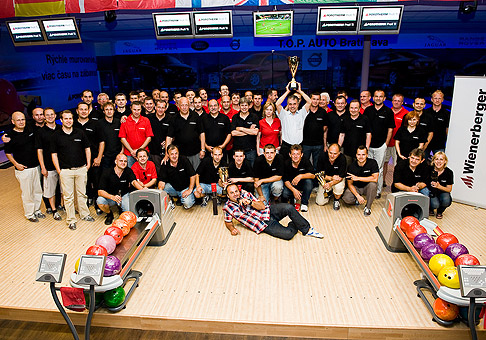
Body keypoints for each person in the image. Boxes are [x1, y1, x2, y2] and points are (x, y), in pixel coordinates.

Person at [222, 183, 323, 240]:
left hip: (267, 212)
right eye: (232, 193)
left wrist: (250, 202)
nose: (235, 194)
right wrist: (232, 229)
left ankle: (307, 230)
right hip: (262, 224)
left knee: (289, 207)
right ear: (228, 195)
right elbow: (228, 222)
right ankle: (295, 223)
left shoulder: (246, 195)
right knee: (288, 235)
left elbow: (262, 206)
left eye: (236, 191)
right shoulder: (228, 207)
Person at [51, 110, 94, 230]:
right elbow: (54, 154)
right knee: (68, 197)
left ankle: (84, 214)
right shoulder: (56, 136)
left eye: (70, 118)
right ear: (61, 120)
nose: (69, 121)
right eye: (66, 118)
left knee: (82, 194)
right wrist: (59, 170)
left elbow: (87, 149)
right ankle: (71, 220)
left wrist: (88, 164)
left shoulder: (80, 133)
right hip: (66, 170)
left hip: (81, 169)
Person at [5, 111, 44, 222]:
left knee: (37, 190)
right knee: (27, 193)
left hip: (35, 166)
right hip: (23, 169)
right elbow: (8, 153)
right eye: (18, 120)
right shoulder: (10, 136)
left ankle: (37, 210)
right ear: (13, 122)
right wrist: (16, 164)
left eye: (23, 119)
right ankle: (29, 214)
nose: (21, 122)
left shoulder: (30, 129)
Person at [363, 89, 395, 199]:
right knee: (368, 168)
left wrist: (386, 144)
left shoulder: (388, 112)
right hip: (368, 145)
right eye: (376, 96)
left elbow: (390, 130)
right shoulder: (368, 110)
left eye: (381, 96)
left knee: (379, 169)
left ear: (384, 98)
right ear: (373, 97)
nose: (378, 98)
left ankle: (377, 191)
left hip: (381, 145)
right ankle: (368, 189)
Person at [98, 153, 143, 224]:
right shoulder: (107, 172)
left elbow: (134, 182)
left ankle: (121, 209)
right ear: (116, 162)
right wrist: (112, 197)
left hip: (124, 195)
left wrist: (142, 190)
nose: (123, 163)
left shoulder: (128, 171)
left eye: (125, 161)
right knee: (100, 201)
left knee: (129, 213)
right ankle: (109, 214)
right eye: (121, 161)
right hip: (111, 197)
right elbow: (100, 191)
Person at [165, 97, 205, 171]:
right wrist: (167, 153)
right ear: (178, 106)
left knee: (196, 173)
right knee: (183, 175)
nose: (184, 107)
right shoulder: (174, 118)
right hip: (180, 154)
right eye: (182, 105)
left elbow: (202, 133)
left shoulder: (195, 116)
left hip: (195, 153)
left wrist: (203, 149)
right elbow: (169, 137)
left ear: (189, 105)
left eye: (186, 105)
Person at [36, 107, 62, 220]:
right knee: (50, 189)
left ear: (55, 116)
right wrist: (42, 167)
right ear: (44, 117)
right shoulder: (40, 132)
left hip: (63, 165)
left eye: (52, 114)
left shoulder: (61, 128)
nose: (50, 116)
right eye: (47, 115)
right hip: (48, 166)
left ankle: (62, 205)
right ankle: (54, 209)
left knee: (63, 189)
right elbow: (39, 151)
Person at [275, 82, 312, 158]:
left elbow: (309, 101)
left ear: (298, 104)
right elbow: (277, 104)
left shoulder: (302, 113)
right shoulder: (283, 114)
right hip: (286, 146)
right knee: (285, 167)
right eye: (290, 104)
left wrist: (300, 91)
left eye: (294, 104)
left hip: (299, 146)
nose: (292, 106)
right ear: (288, 105)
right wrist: (287, 91)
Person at [342, 146, 379, 216]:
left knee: (373, 185)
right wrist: (357, 196)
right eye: (359, 154)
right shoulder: (351, 166)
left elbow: (375, 179)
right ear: (356, 155)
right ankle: (357, 201)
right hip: (356, 187)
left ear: (367, 155)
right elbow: (350, 184)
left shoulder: (373, 163)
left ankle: (368, 207)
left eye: (363, 154)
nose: (361, 157)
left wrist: (358, 178)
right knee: (346, 198)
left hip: (367, 187)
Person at [157, 144, 196, 209]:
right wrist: (162, 193)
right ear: (168, 155)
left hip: (185, 188)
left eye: (176, 153)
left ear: (178, 153)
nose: (174, 156)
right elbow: (161, 181)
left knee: (188, 204)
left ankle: (182, 198)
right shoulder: (165, 164)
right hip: (173, 187)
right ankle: (170, 199)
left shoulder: (184, 160)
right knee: (159, 190)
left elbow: (192, 175)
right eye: (172, 154)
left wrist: (190, 189)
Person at [383, 93, 409, 187]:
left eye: (399, 101)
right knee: (384, 163)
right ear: (392, 101)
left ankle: (396, 183)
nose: (396, 102)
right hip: (386, 143)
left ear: (402, 102)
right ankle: (383, 181)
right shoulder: (387, 112)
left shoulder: (406, 114)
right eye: (395, 100)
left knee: (397, 166)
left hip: (398, 145)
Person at [119, 101, 153, 167]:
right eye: (134, 109)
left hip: (144, 153)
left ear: (141, 109)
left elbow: (149, 138)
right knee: (131, 174)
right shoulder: (125, 121)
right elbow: (122, 138)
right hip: (129, 154)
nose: (136, 112)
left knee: (146, 173)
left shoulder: (146, 120)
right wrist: (132, 151)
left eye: (138, 110)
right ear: (131, 108)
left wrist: (139, 151)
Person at [282, 144, 315, 212]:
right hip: (291, 185)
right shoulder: (286, 163)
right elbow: (285, 180)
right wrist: (294, 190)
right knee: (285, 194)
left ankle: (304, 203)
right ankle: (293, 197)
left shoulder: (305, 161)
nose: (295, 156)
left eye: (298, 154)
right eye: (293, 154)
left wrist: (300, 176)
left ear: (301, 155)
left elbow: (313, 175)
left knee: (309, 182)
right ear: (290, 155)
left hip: (303, 184)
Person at [338, 99, 371, 165]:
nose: (353, 110)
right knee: (347, 169)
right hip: (347, 151)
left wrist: (366, 149)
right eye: (352, 108)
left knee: (359, 170)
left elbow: (368, 134)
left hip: (360, 152)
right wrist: (338, 148)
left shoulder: (365, 119)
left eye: (356, 108)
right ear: (349, 108)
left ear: (359, 109)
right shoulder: (345, 119)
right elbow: (342, 135)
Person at [315, 143, 347, 210]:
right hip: (325, 180)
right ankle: (329, 194)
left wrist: (330, 183)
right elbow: (318, 173)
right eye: (330, 153)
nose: (332, 156)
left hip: (337, 180)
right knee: (320, 202)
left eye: (335, 154)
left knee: (338, 188)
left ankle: (336, 200)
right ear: (327, 151)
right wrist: (331, 178)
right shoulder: (322, 156)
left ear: (339, 153)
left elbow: (341, 177)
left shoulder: (342, 158)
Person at [302, 92, 327, 169]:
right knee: (305, 165)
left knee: (317, 166)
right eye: (313, 99)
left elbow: (325, 129)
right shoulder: (304, 111)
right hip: (306, 144)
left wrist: (325, 145)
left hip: (318, 145)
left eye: (317, 99)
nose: (315, 101)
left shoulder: (323, 112)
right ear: (310, 99)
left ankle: (316, 181)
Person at [231, 97, 259, 166]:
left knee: (251, 172)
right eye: (242, 105)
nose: (244, 107)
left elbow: (255, 132)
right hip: (237, 151)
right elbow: (233, 133)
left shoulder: (254, 116)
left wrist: (241, 128)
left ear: (249, 106)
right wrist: (249, 130)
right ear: (239, 106)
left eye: (246, 105)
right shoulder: (235, 117)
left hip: (251, 150)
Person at [426, 151, 453, 219]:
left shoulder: (449, 172)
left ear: (445, 161)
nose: (439, 161)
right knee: (435, 204)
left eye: (441, 159)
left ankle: (440, 211)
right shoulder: (428, 169)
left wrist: (439, 186)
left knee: (446, 200)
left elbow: (449, 189)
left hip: (442, 192)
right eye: (436, 159)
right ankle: (431, 209)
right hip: (431, 193)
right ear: (433, 161)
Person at [148, 99, 172, 172]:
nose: (160, 110)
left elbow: (174, 135)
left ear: (166, 108)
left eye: (162, 107)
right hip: (153, 151)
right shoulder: (148, 118)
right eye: (159, 107)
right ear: (155, 107)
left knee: (167, 172)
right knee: (156, 172)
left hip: (167, 152)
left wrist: (169, 141)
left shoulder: (170, 119)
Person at [424, 90, 450, 156]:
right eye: (435, 98)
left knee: (440, 164)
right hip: (426, 143)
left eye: (439, 98)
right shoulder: (426, 112)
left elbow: (447, 129)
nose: (437, 100)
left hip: (439, 144)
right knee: (422, 164)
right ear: (432, 99)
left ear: (442, 100)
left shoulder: (446, 114)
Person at [99, 102, 122, 169]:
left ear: (114, 111)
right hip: (105, 156)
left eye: (111, 109)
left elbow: (123, 138)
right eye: (106, 109)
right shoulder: (99, 124)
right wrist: (100, 154)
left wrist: (122, 152)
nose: (109, 111)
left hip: (117, 154)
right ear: (103, 111)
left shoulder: (119, 122)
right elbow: (98, 140)